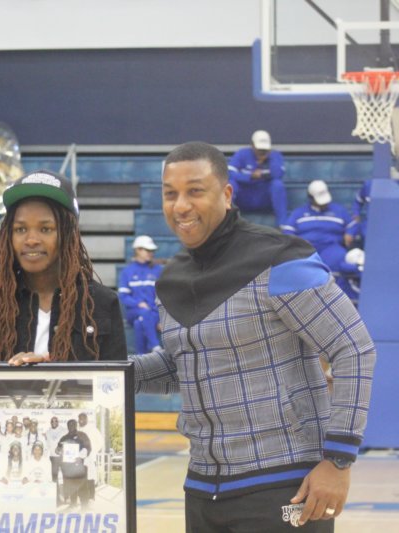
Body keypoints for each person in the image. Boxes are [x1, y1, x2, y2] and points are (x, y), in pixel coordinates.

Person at [132, 142, 375, 531]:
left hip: (285, 485)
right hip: (202, 490)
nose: (181, 206)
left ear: (227, 194)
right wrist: (94, 373)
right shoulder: (171, 278)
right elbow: (183, 366)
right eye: (170, 194)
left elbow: (354, 348)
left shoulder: (280, 259)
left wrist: (338, 460)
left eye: (195, 191)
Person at [0, 169, 127, 363]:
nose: (31, 240)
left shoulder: (101, 303)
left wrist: (51, 374)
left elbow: (115, 380)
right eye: (20, 229)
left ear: (68, 234)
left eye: (46, 229)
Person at [281, 180, 361, 302]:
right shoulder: (299, 213)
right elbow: (287, 231)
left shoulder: (339, 210)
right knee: (297, 265)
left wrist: (350, 233)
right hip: (306, 247)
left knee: (338, 259)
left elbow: (352, 225)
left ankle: (335, 300)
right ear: (310, 198)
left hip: (331, 246)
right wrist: (297, 244)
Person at [228, 130, 288, 225]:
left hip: (263, 196)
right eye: (259, 149)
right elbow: (229, 173)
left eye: (264, 149)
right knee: (231, 184)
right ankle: (227, 222)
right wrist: (250, 176)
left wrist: (267, 160)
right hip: (245, 195)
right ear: (252, 145)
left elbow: (278, 174)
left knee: (277, 185)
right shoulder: (241, 154)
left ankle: (282, 225)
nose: (262, 152)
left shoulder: (275, 156)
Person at [118, 235, 162, 354]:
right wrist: (138, 303)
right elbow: (123, 296)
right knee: (144, 313)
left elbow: (164, 296)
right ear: (138, 250)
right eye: (147, 250)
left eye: (152, 250)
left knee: (139, 323)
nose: (151, 253)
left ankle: (140, 358)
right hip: (134, 312)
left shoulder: (158, 270)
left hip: (153, 312)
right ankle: (155, 345)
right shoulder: (127, 271)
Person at [56, 419, 92, 509]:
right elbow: (57, 449)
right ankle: (73, 504)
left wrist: (80, 457)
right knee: (70, 486)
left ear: (76, 425)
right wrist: (59, 450)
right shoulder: (64, 438)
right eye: (69, 425)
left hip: (79, 465)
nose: (71, 426)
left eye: (73, 424)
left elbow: (88, 448)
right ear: (67, 426)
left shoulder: (82, 435)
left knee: (82, 486)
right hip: (68, 467)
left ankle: (84, 505)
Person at [77, 412, 104, 502]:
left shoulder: (93, 429)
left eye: (82, 418)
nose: (81, 420)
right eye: (79, 418)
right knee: (81, 477)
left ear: (86, 419)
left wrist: (93, 451)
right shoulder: (77, 430)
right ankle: (83, 496)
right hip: (80, 458)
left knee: (91, 477)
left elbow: (101, 442)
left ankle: (91, 496)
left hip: (90, 457)